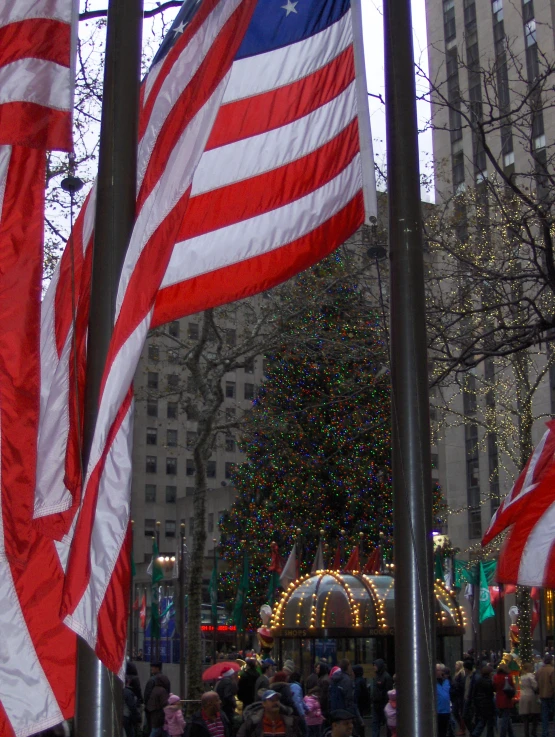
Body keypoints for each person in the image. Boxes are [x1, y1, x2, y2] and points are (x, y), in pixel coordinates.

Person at [237, 689, 303, 737]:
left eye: (277, 700)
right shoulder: (253, 723)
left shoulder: (291, 723)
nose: (275, 702)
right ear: (264, 704)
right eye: (271, 700)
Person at [470, 665, 495, 737]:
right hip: (487, 705)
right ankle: (476, 734)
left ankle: (475, 734)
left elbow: (474, 693)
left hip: (480, 704)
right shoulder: (488, 682)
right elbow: (491, 691)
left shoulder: (478, 680)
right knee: (488, 723)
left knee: (482, 721)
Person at [144, 663, 170, 734]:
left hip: (153, 710)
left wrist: (147, 705)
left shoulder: (152, 680)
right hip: (162, 710)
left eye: (153, 667)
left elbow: (147, 694)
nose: (151, 669)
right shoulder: (165, 680)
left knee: (153, 729)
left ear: (157, 668)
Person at [371, 659, 393, 737]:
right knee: (375, 724)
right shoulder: (377, 676)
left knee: (386, 725)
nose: (374, 667)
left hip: (383, 704)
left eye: (375, 665)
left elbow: (388, 691)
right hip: (376, 704)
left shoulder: (386, 677)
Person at [493, 663, 515, 737]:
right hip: (507, 699)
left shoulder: (496, 677)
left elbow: (494, 688)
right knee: (505, 719)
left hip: (499, 699)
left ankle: (511, 734)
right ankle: (503, 734)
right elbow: (512, 687)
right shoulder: (508, 677)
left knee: (506, 718)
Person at [520, 662, 540, 737]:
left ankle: (526, 733)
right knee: (535, 715)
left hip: (523, 696)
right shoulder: (531, 676)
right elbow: (535, 686)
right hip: (531, 696)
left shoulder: (522, 676)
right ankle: (533, 732)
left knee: (525, 718)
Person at [537, 654, 554, 737]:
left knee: (544, 715)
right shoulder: (552, 670)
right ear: (550, 661)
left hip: (542, 695)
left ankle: (545, 733)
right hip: (551, 695)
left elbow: (536, 683)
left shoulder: (539, 670)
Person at [451, 661, 466, 736]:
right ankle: (462, 727)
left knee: (458, 712)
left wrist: (455, 685)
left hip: (459, 696)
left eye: (457, 665)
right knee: (457, 712)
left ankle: (462, 728)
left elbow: (461, 685)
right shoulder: (457, 674)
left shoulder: (461, 674)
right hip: (457, 696)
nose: (455, 666)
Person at [436, 664, 451, 737]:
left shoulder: (447, 681)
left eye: (438, 670)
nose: (437, 672)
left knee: (444, 732)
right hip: (437, 712)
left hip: (446, 711)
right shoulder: (432, 683)